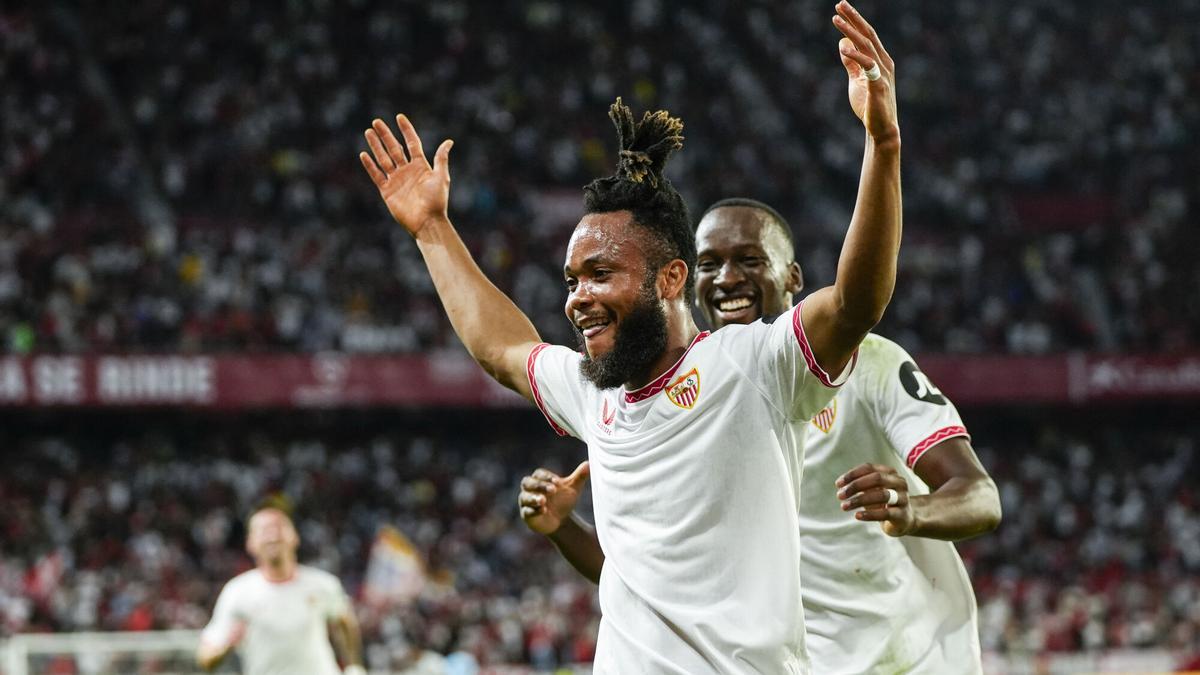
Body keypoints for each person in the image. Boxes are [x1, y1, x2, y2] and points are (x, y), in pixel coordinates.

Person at [359, 2, 900, 670]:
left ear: (672, 278)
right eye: (570, 280)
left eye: (599, 273)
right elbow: (502, 348)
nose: (578, 298)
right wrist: (433, 231)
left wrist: (883, 144)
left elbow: (856, 302)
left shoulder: (751, 364)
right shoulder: (595, 392)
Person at [519, 198, 1003, 673]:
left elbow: (980, 496)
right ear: (685, 281)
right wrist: (564, 528)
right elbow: (645, 583)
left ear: (793, 277)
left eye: (749, 260)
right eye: (709, 263)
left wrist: (913, 509)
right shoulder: (691, 402)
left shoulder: (871, 364)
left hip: (902, 657)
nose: (727, 278)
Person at [196, 505, 366, 675]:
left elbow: (344, 624)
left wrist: (354, 667)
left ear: (295, 536)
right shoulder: (237, 592)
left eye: (278, 527)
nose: (272, 536)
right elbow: (206, 657)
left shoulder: (324, 585)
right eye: (263, 530)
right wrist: (225, 646)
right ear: (250, 543)